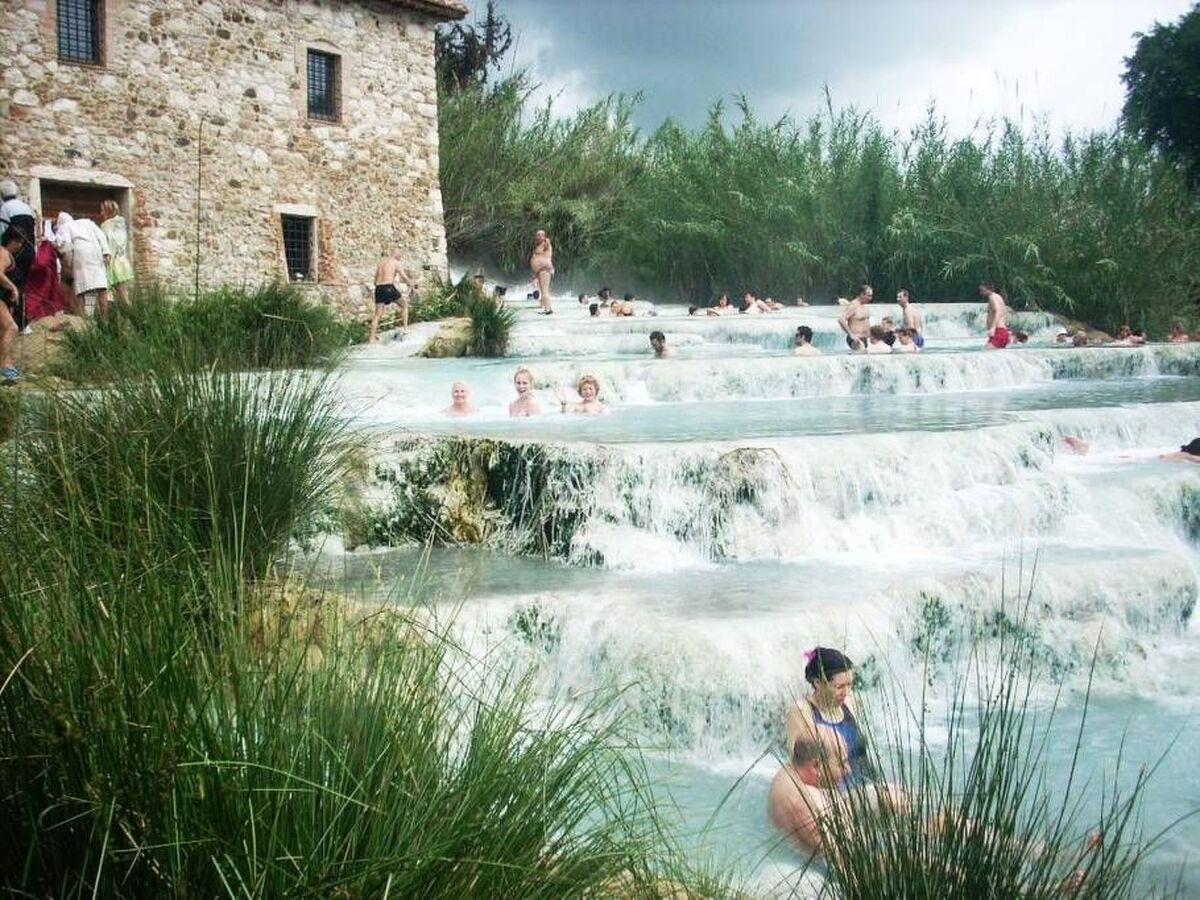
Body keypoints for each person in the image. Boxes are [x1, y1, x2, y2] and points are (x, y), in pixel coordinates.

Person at [785, 647, 867, 787]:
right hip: (832, 791)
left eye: (849, 685)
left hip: (865, 783)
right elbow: (800, 768)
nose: (847, 692)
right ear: (818, 683)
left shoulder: (849, 701)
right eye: (839, 687)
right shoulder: (802, 711)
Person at [55, 212, 111, 317]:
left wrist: (68, 264)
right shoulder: (87, 222)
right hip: (96, 252)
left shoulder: (65, 227)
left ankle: (83, 319)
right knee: (101, 287)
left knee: (81, 289)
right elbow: (101, 235)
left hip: (80, 255)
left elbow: (65, 246)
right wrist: (106, 252)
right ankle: (105, 319)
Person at [0, 180, 36, 329]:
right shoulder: (27, 208)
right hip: (29, 250)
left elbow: (3, 231)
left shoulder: (5, 208)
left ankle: (12, 321)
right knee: (22, 285)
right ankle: (22, 322)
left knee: (9, 285)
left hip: (14, 250)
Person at [370, 249, 412, 342]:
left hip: (378, 288)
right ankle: (405, 329)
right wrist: (411, 283)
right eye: (400, 255)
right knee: (404, 305)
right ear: (396, 255)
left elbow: (375, 280)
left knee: (377, 314)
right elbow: (403, 276)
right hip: (388, 286)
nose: (400, 257)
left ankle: (372, 338)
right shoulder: (396, 262)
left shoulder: (381, 262)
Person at [99, 199, 134, 304]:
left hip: (112, 263)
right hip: (122, 261)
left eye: (102, 210)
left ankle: (132, 313)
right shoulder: (121, 224)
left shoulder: (106, 226)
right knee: (122, 293)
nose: (101, 213)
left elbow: (106, 244)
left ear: (108, 211)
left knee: (121, 295)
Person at [0, 229, 23, 381]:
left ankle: (6, 366)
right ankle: (5, 367)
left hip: (4, 300)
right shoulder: (3, 253)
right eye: (17, 241)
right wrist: (13, 287)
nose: (19, 245)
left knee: (3, 332)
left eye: (21, 242)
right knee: (11, 327)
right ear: (10, 240)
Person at [838, 284, 872, 351]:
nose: (870, 298)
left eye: (871, 296)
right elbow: (841, 320)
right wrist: (851, 334)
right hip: (856, 339)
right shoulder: (854, 305)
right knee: (862, 353)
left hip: (865, 338)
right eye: (868, 296)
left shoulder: (864, 305)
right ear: (862, 294)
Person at [530, 228, 554, 314]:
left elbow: (548, 242)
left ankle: (548, 309)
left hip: (544, 269)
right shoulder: (538, 246)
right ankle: (545, 307)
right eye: (537, 235)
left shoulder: (546, 244)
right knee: (542, 290)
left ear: (544, 236)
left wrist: (546, 240)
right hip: (539, 270)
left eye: (540, 235)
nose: (538, 237)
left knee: (544, 290)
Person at [980, 281, 1010, 349]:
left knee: (985, 351)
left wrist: (993, 328)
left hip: (998, 331)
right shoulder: (998, 297)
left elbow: (998, 311)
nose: (981, 293)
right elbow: (1004, 312)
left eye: (982, 290)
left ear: (989, 289)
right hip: (1002, 331)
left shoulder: (992, 297)